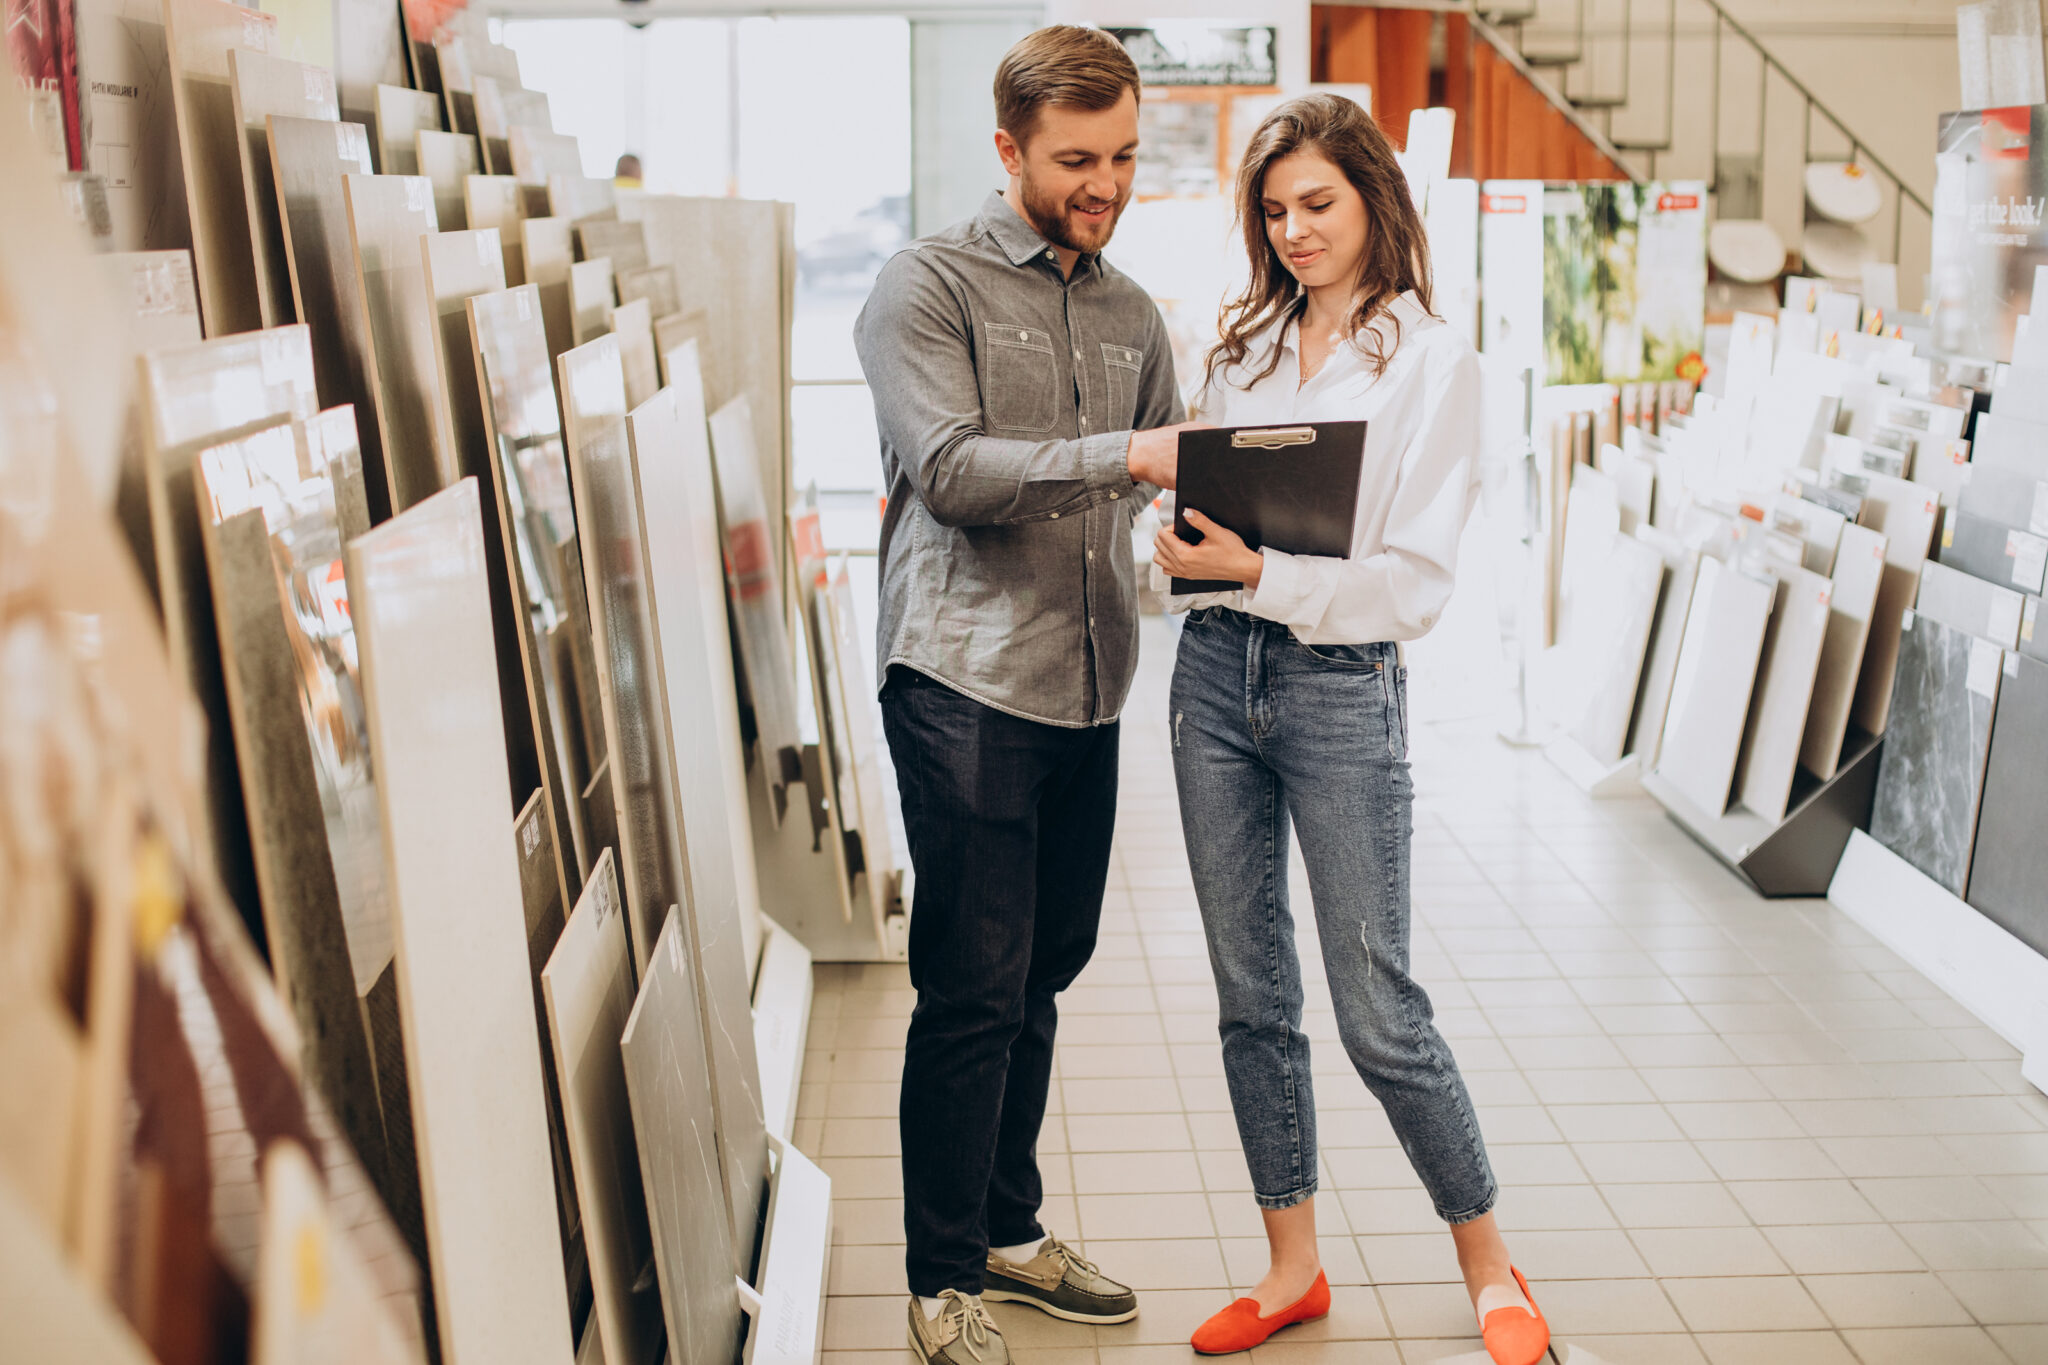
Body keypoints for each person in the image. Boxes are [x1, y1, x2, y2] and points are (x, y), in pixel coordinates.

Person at [1147, 94, 1549, 1365]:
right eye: (1272, 211)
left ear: (1375, 197)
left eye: (1316, 203)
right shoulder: (1243, 345)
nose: (1294, 230)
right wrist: (1178, 551)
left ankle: (1490, 1264)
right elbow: (1202, 520)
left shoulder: (1435, 366)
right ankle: (1290, 1267)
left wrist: (1263, 572)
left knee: (1376, 1003)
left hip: (1337, 687)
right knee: (1248, 993)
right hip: (1212, 672)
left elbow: (1411, 587)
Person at [851, 26, 1199, 1365]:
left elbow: (1161, 489)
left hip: (1090, 681)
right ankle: (942, 1276)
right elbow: (952, 470)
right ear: (1007, 149)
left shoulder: (1132, 313)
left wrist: (1213, 526)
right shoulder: (922, 286)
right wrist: (1133, 454)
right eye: (1075, 160)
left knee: (1046, 967)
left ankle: (1005, 1224)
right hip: (965, 682)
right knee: (971, 987)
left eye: (1120, 156)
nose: (1103, 182)